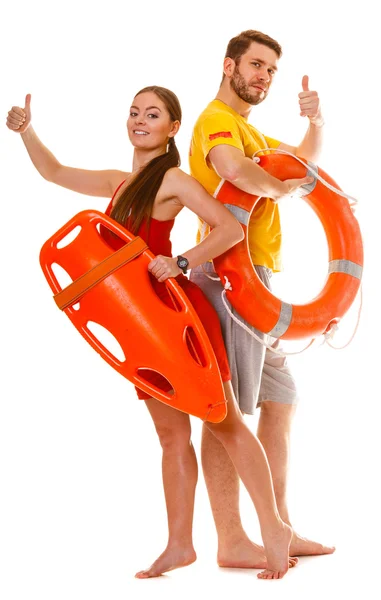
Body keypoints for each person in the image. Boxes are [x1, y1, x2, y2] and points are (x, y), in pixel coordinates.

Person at [6, 86, 311, 580]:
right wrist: (26, 131)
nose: (139, 120)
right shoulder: (119, 183)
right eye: (133, 112)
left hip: (178, 317)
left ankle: (273, 527)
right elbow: (53, 172)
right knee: (171, 437)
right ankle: (179, 545)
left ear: (172, 128)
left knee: (224, 422)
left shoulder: (172, 179)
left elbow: (228, 229)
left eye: (152, 114)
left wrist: (183, 261)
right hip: (140, 326)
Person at [189, 29, 336, 567]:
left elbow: (302, 161)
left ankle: (282, 526)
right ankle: (232, 540)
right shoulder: (216, 122)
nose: (264, 76)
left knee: (279, 400)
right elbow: (231, 169)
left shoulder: (249, 130)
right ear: (229, 66)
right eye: (255, 65)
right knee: (226, 410)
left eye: (271, 70)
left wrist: (314, 121)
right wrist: (284, 189)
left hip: (259, 280)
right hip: (228, 278)